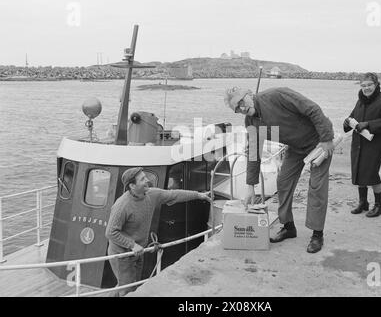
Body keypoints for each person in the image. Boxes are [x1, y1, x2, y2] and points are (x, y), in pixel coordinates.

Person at [224, 86, 335, 253]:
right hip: (296, 147)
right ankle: (288, 226)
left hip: (318, 142)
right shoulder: (251, 122)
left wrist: (326, 138)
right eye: (237, 108)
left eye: (241, 101)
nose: (242, 108)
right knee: (283, 182)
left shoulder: (278, 95)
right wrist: (250, 187)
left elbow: (313, 109)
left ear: (249, 94)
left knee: (316, 186)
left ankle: (317, 234)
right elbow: (254, 154)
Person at [105, 167, 211, 296]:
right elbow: (111, 232)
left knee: (132, 285)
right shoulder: (122, 205)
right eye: (142, 179)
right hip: (122, 254)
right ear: (132, 185)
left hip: (138, 251)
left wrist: (198, 195)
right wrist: (132, 245)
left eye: (145, 177)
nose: (147, 181)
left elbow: (174, 195)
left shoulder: (151, 195)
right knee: (127, 288)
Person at [343, 72, 381, 217]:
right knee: (360, 170)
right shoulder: (360, 101)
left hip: (375, 143)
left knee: (371, 173)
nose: (366, 88)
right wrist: (347, 122)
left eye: (369, 85)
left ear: (377, 84)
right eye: (363, 85)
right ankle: (363, 202)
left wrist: (368, 124)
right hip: (358, 142)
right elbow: (352, 116)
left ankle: (380, 205)